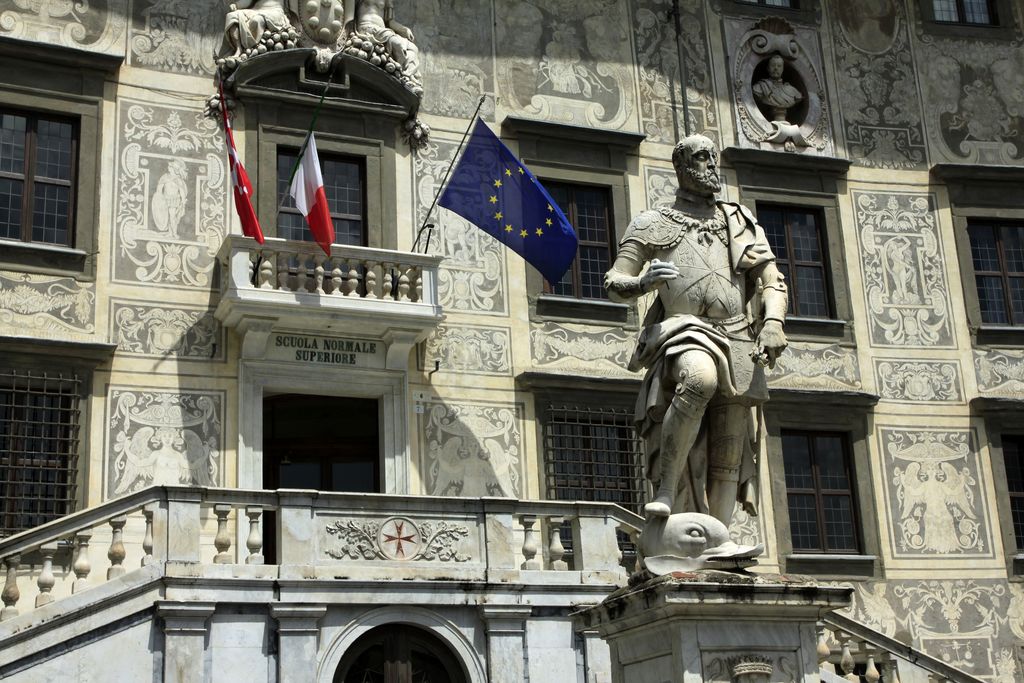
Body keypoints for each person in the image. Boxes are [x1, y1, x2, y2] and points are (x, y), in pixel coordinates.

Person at [604, 134, 788, 525]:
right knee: (699, 380)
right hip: (684, 329)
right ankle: (668, 488)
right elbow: (613, 279)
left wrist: (772, 322)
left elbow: (771, 280)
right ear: (681, 166)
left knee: (730, 445)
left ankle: (717, 534)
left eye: (712, 158)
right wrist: (642, 283)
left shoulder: (738, 222)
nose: (710, 166)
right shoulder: (652, 223)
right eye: (701, 158)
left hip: (739, 335)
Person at [346, 0, 422, 92]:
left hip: (383, 30)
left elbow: (390, 22)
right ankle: (403, 74)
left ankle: (407, 76)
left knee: (413, 48)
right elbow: (349, 13)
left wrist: (404, 29)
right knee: (397, 43)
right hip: (367, 28)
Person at [752, 53, 803, 122]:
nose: (776, 68)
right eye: (773, 65)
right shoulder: (760, 87)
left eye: (779, 66)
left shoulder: (792, 91)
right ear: (768, 69)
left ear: (782, 69)